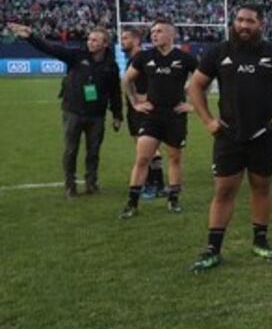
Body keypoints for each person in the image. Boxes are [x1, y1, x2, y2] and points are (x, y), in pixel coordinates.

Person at [187, 4, 272, 273]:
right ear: (233, 22)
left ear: (261, 24)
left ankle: (260, 241)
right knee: (223, 191)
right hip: (228, 134)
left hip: (264, 134)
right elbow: (195, 85)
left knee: (261, 187)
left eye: (250, 21)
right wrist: (208, 120)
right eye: (240, 20)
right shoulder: (218, 52)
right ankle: (212, 249)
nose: (244, 25)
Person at [7, 22, 122, 197]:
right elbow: (52, 49)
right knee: (71, 150)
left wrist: (117, 115)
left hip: (96, 115)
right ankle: (70, 184)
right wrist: (31, 37)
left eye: (95, 40)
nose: (90, 42)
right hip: (73, 111)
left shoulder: (111, 65)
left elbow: (115, 92)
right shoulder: (76, 55)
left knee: (94, 151)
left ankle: (91, 183)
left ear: (105, 44)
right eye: (90, 39)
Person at [120, 20, 198, 218]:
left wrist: (193, 105)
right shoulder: (144, 57)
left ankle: (173, 200)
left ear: (171, 35)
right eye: (152, 32)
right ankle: (132, 203)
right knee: (143, 158)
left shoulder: (185, 58)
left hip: (175, 115)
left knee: (174, 159)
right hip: (152, 116)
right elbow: (127, 79)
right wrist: (135, 101)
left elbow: (205, 81)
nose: (154, 35)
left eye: (159, 31)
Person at [120, 27, 166, 198]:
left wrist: (143, 99)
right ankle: (152, 183)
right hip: (134, 110)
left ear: (136, 40)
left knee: (150, 149)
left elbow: (157, 81)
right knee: (141, 149)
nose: (122, 41)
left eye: (126, 38)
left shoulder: (145, 59)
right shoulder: (132, 60)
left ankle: (156, 184)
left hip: (145, 110)